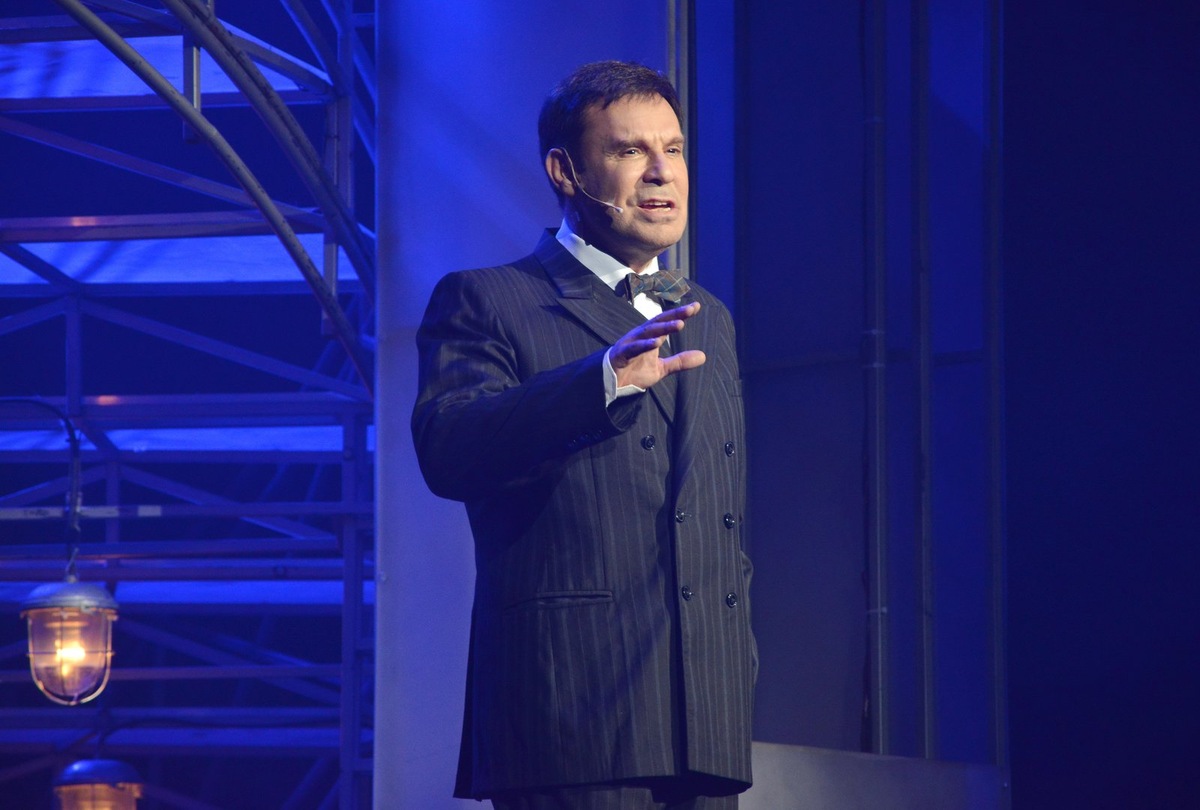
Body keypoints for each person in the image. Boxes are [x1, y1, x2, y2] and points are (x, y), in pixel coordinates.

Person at [412, 60, 756, 810]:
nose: (662, 172)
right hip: (568, 713)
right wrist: (601, 382)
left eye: (674, 148)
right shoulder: (490, 298)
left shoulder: (710, 317)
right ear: (565, 171)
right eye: (630, 150)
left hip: (704, 722)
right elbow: (449, 448)